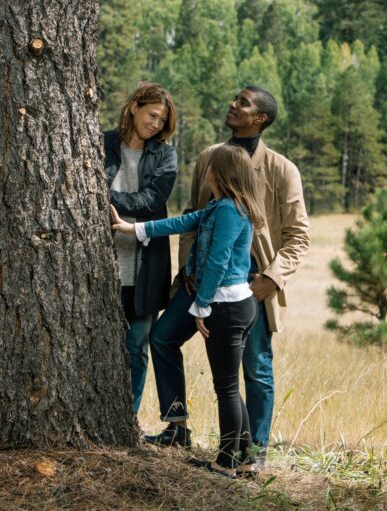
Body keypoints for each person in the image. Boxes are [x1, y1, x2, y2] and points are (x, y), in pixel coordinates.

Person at [143, 86, 310, 467]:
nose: (233, 104)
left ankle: (253, 452)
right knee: (163, 338)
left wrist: (272, 277)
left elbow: (299, 236)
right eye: (234, 98)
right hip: (200, 279)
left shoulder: (283, 169)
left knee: (255, 368)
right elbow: (192, 215)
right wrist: (187, 267)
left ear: (261, 119)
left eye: (243, 103)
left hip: (251, 285)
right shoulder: (210, 158)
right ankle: (176, 427)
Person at [111, 144, 266, 477]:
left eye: (210, 168)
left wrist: (202, 304)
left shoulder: (228, 210)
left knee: (225, 388)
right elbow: (182, 221)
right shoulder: (220, 206)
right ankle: (247, 458)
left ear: (221, 174)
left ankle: (226, 462)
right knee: (228, 385)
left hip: (226, 305)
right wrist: (133, 228)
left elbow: (218, 261)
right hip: (232, 304)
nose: (205, 172)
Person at [104, 83, 177, 414]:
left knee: (136, 345)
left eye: (162, 120)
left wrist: (107, 199)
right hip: (101, 265)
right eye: (152, 115)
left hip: (145, 265)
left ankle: (127, 418)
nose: (156, 124)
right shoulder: (101, 144)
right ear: (134, 106)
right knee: (99, 344)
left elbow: (153, 200)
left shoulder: (165, 155)